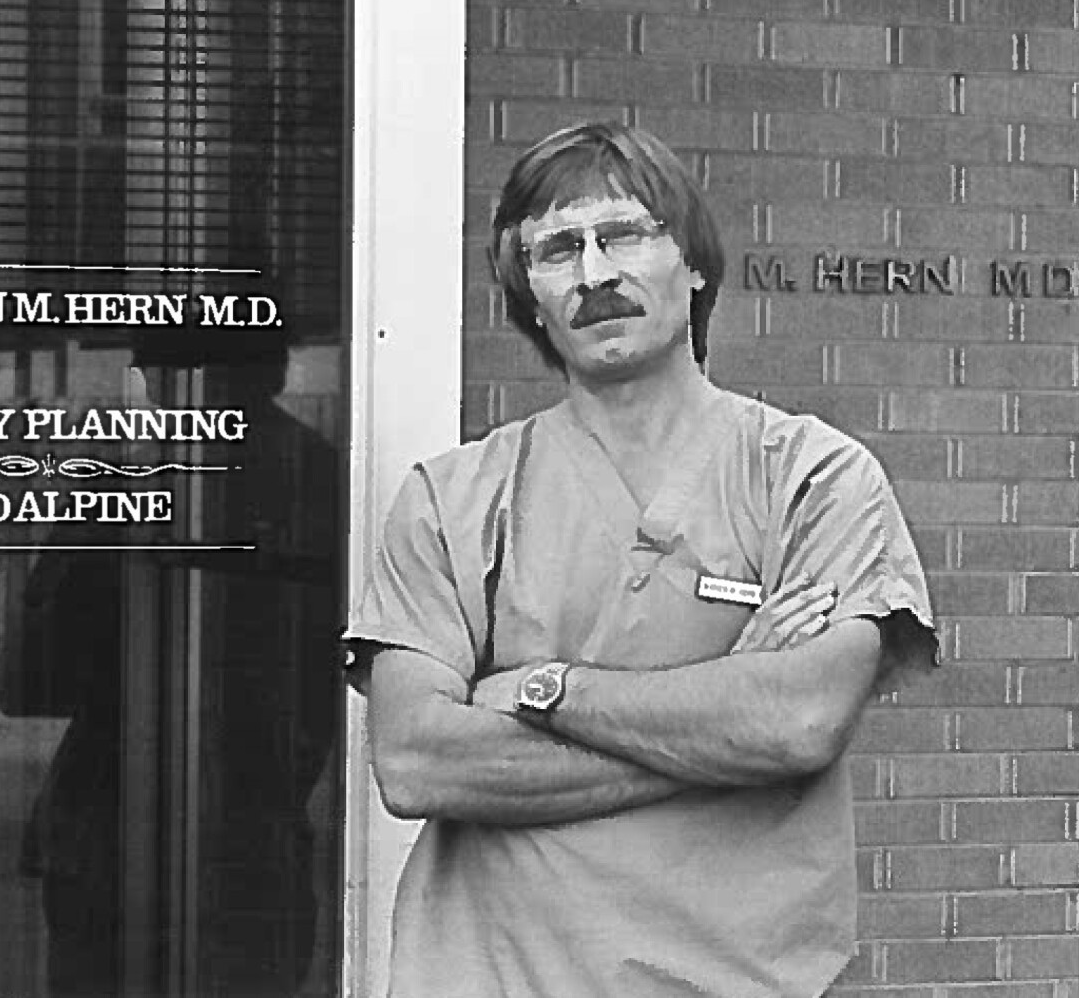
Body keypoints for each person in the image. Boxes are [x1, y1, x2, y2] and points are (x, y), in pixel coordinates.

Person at [344, 121, 939, 998]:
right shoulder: (454, 498)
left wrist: (544, 690)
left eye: (625, 234)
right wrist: (723, 703)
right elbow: (418, 762)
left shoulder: (812, 475)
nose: (594, 274)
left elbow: (799, 721)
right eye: (556, 251)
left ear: (693, 262)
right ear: (530, 296)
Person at [1, 325, 342, 998]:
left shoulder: (292, 481)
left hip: (189, 826)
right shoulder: (314, 476)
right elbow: (27, 678)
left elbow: (30, 676)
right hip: (171, 826)